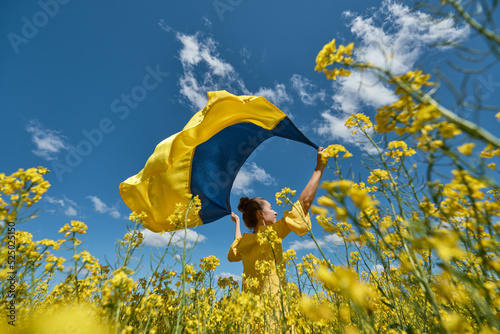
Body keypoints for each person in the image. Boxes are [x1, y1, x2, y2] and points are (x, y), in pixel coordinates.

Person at [227, 147, 328, 296]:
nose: (275, 212)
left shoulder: (244, 244)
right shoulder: (271, 235)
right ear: (261, 213)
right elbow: (303, 205)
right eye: (271, 208)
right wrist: (320, 168)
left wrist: (237, 222)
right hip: (272, 310)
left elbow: (236, 246)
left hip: (248, 312)